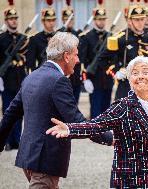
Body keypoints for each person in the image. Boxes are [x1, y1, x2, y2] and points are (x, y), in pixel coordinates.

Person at [0, 32, 113, 188]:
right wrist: (110, 137)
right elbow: (76, 120)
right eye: (76, 55)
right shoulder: (58, 81)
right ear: (66, 56)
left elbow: (10, 114)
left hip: (29, 157)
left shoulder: (32, 77)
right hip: (45, 160)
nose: (78, 60)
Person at [46, 56, 148, 188]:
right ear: (129, 80)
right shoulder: (123, 106)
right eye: (134, 73)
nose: (140, 76)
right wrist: (70, 129)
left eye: (145, 72)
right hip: (129, 180)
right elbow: (96, 125)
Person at [97, 4, 148, 100]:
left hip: (147, 91)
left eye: (142, 19)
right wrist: (115, 73)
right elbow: (102, 59)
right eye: (137, 20)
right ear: (129, 21)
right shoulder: (120, 39)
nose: (140, 23)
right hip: (126, 89)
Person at [0, 3, 27, 151]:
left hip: (20, 80)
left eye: (15, 18)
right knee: (8, 112)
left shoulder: (23, 38)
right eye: (11, 19)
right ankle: (8, 141)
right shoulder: (1, 39)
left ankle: (18, 140)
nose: (14, 21)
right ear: (6, 21)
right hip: (6, 80)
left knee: (20, 112)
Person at [79, 7, 114, 118]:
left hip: (107, 79)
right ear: (94, 20)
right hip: (94, 79)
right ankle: (95, 135)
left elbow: (114, 58)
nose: (101, 21)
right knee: (95, 111)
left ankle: (106, 135)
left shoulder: (111, 36)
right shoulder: (86, 37)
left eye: (103, 19)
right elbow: (82, 61)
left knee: (106, 111)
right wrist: (85, 80)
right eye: (99, 19)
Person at [60, 2, 82, 104]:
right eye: (66, 19)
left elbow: (81, 56)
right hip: (62, 76)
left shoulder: (79, 34)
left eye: (71, 19)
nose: (69, 21)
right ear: (62, 20)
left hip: (75, 77)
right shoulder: (58, 35)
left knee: (74, 104)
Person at [26, 5, 56, 71]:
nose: (51, 23)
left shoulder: (59, 37)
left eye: (53, 20)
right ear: (43, 21)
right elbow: (31, 62)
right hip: (41, 72)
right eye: (48, 20)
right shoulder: (35, 39)